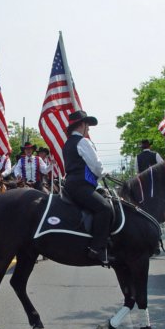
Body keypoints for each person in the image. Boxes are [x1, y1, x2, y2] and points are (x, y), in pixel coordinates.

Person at [62, 110, 114, 266]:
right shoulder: (83, 142)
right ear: (82, 124)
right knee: (105, 208)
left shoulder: (67, 143)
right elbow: (96, 166)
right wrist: (104, 174)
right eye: (88, 125)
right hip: (81, 185)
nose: (89, 129)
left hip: (71, 183)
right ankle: (97, 248)